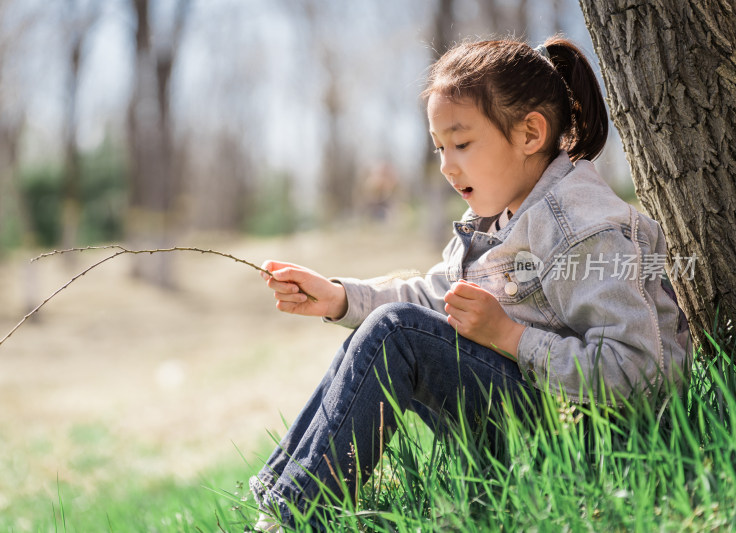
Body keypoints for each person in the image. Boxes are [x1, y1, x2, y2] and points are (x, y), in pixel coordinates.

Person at [248, 37, 689, 532]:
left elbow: (642, 372)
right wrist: (343, 298)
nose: (446, 165)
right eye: (439, 147)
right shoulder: (499, 216)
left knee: (395, 333)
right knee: (383, 331)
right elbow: (438, 299)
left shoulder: (582, 229)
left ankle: (293, 518)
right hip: (538, 423)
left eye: (461, 143)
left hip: (601, 449)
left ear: (530, 134)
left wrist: (511, 338)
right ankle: (275, 508)